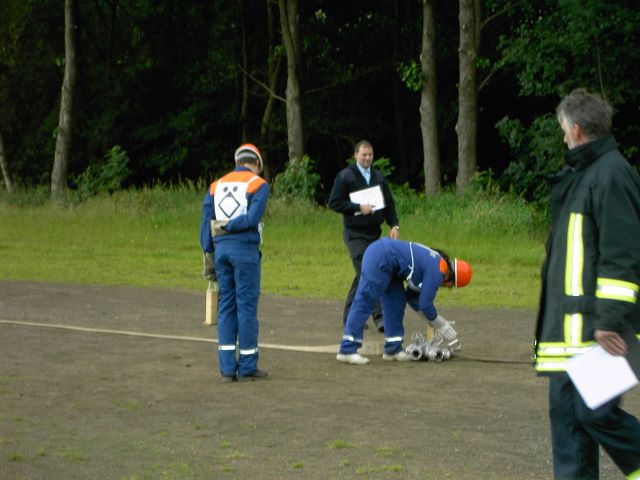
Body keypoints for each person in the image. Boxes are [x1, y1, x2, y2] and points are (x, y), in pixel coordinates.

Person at [533, 88, 640, 478]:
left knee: (595, 414)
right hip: (569, 336)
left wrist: (610, 319)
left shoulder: (611, 175)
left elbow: (622, 253)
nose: (563, 137)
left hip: (601, 333)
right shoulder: (583, 176)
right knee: (570, 427)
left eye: (563, 129)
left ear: (576, 129)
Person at [336, 237, 472, 365]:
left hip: (390, 264)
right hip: (381, 256)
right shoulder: (438, 271)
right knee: (366, 300)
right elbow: (425, 303)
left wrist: (431, 320)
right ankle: (347, 349)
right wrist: (440, 323)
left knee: (396, 302)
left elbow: (412, 297)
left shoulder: (436, 262)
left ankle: (393, 349)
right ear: (452, 281)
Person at [200, 143, 270, 383]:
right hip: (245, 250)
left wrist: (209, 251)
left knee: (226, 307)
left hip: (221, 251)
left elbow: (205, 225)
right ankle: (248, 364)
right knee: (246, 307)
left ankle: (227, 369)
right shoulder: (258, 185)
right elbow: (252, 219)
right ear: (257, 164)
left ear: (237, 162)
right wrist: (230, 226)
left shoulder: (215, 186)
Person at [328, 140, 400, 332]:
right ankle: (380, 317)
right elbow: (334, 202)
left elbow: (389, 203)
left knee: (363, 276)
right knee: (371, 273)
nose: (367, 158)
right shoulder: (346, 176)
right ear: (356, 155)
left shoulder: (378, 176)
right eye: (364, 155)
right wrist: (358, 207)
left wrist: (394, 225)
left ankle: (349, 318)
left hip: (374, 234)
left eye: (370, 155)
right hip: (355, 235)